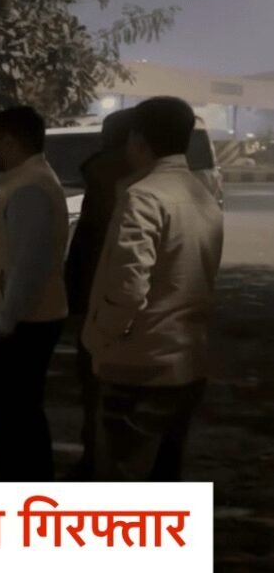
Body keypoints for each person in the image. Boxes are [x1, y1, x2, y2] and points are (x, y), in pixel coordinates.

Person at [84, 96, 224, 481]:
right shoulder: (202, 195)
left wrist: (101, 337)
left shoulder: (144, 196)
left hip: (139, 365)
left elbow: (128, 287)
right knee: (165, 479)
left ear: (138, 140)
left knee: (122, 483)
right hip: (187, 362)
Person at [0, 105, 69, 481]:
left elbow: (30, 261)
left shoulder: (31, 187)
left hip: (21, 325)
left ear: (10, 141)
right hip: (21, 320)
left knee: (14, 422)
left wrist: (6, 321)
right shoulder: (27, 180)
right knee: (15, 418)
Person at [62, 108, 135, 480]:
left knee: (99, 389)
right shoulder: (138, 175)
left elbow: (90, 243)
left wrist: (77, 300)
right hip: (122, 303)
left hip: (103, 301)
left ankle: (96, 466)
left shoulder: (106, 176)